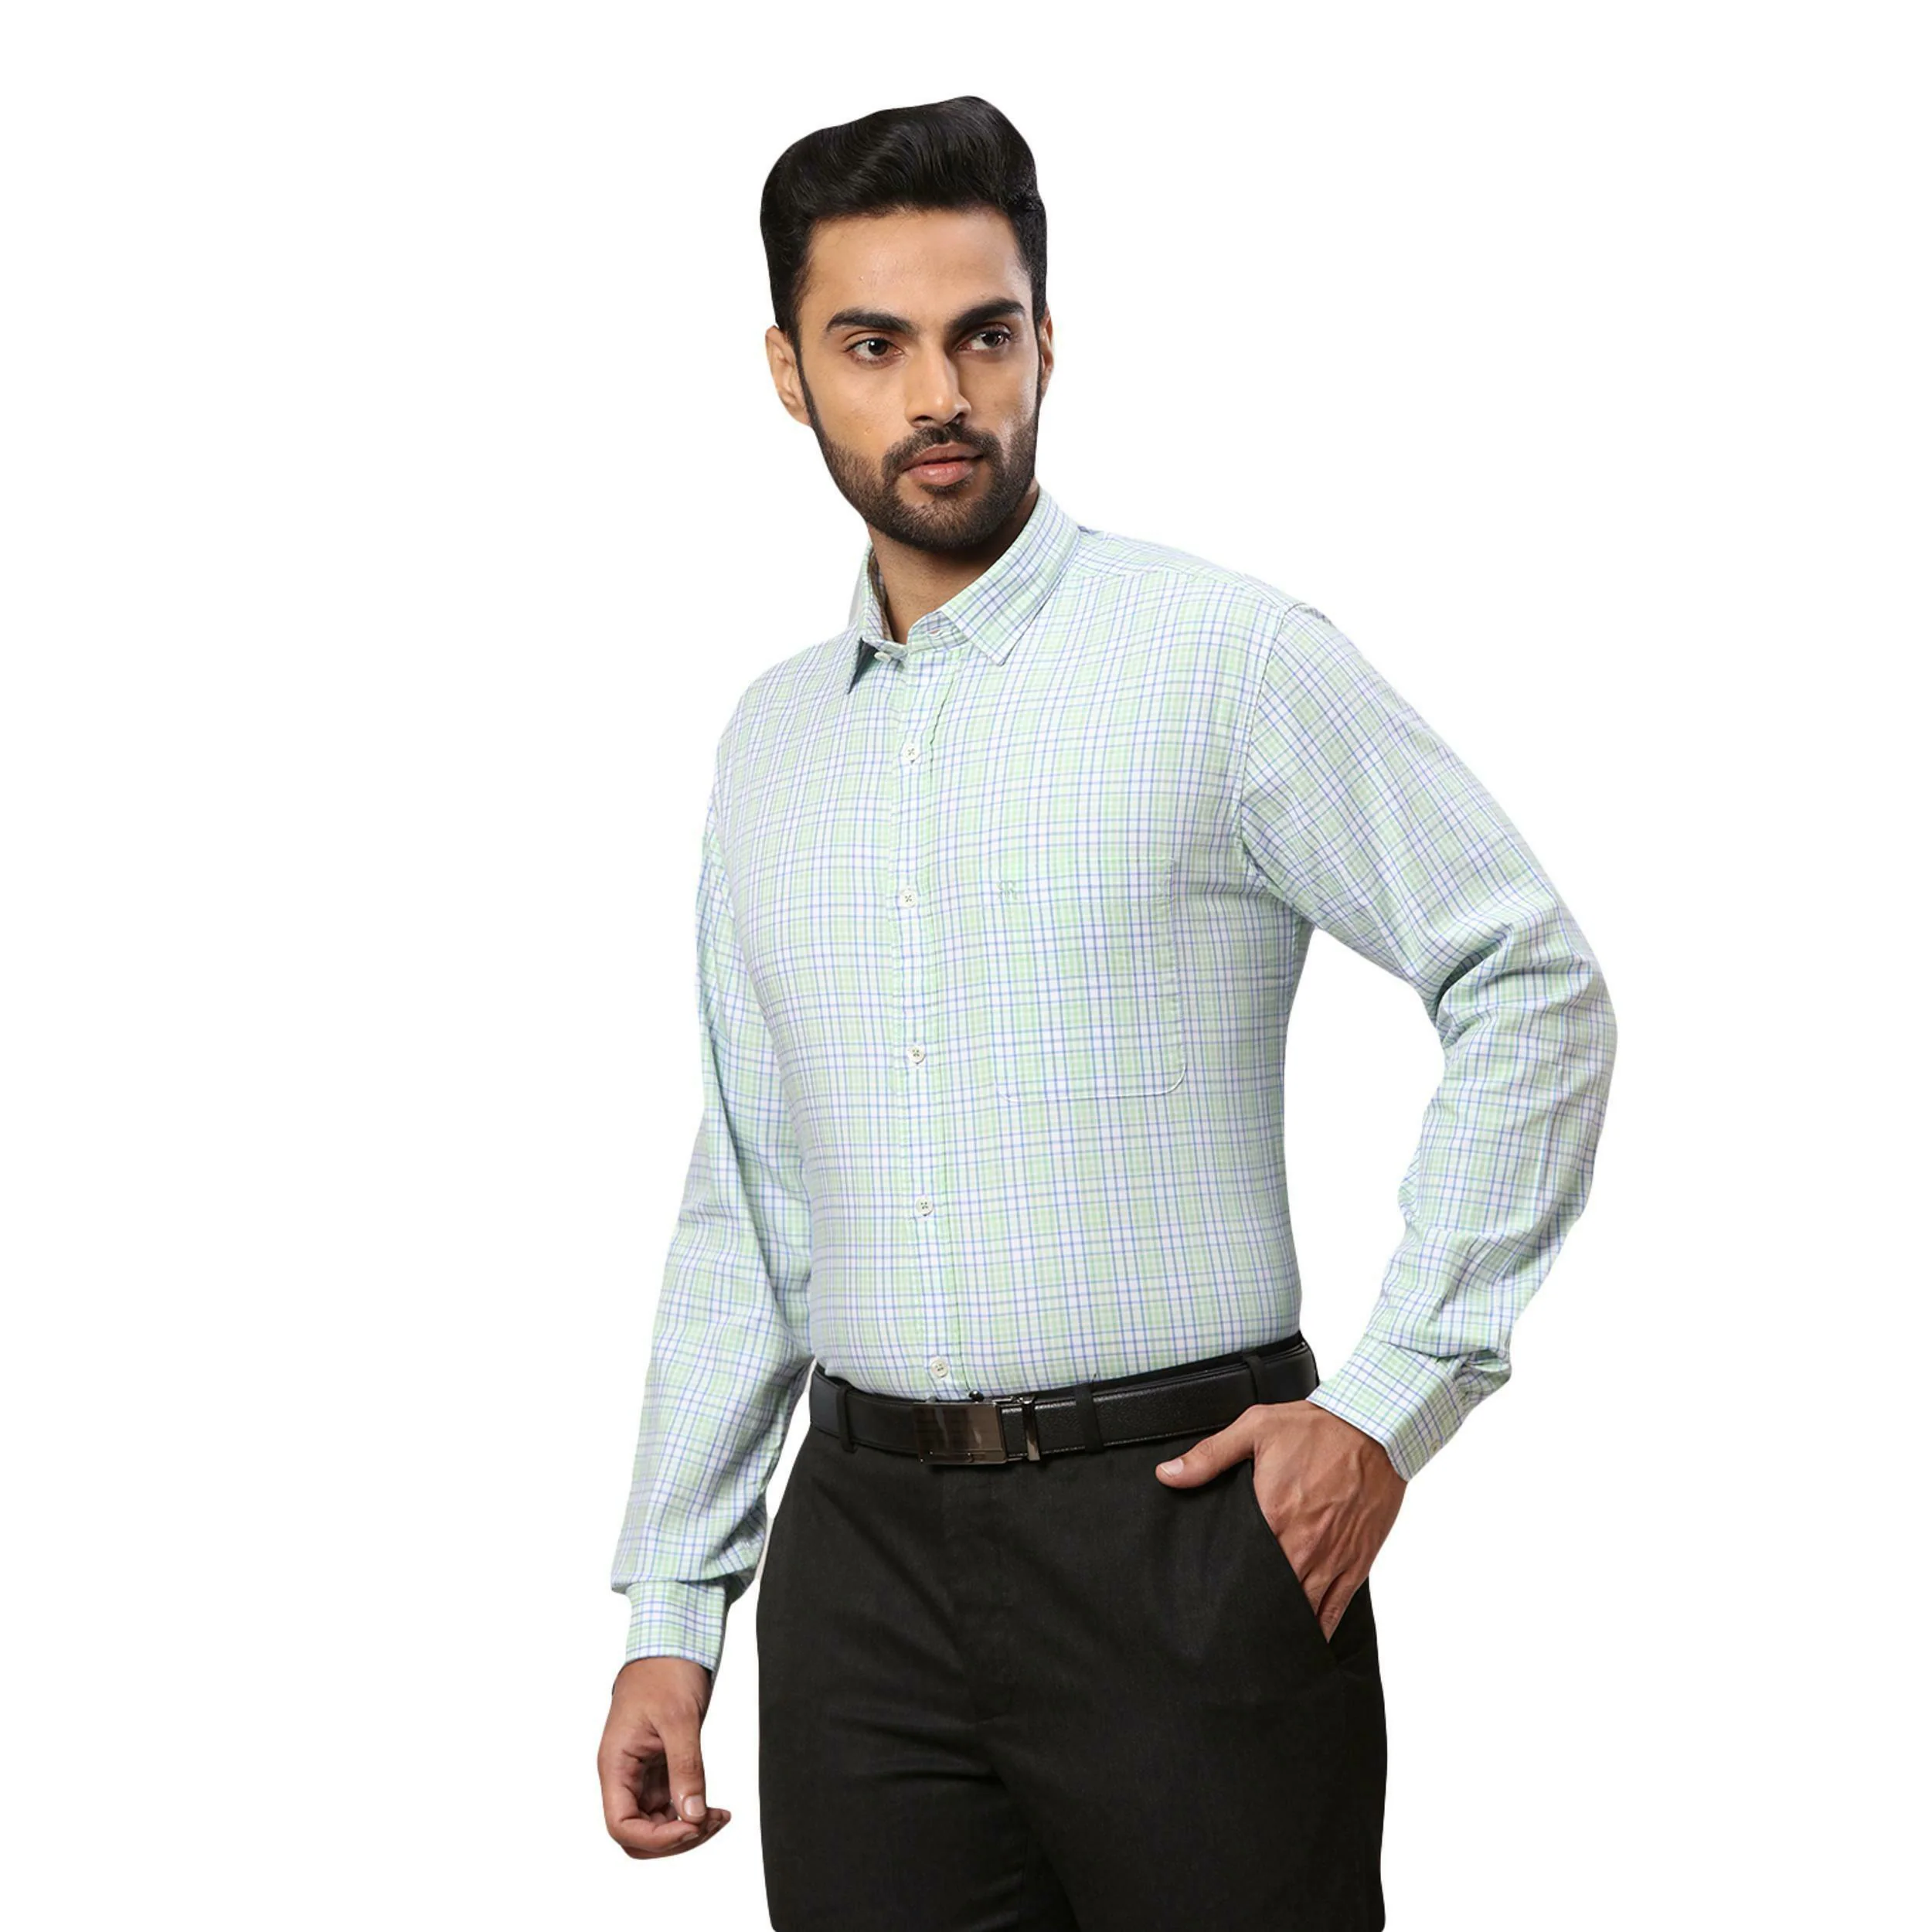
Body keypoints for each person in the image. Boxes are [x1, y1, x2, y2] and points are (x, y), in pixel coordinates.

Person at [597, 94, 1617, 1932]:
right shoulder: (770, 745)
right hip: (857, 1568)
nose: (941, 395)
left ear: (1046, 340)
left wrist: (1387, 1403)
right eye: (873, 344)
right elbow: (752, 1192)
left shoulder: (1225, 659)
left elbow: (1525, 977)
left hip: (1181, 1534)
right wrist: (674, 1604)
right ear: (784, 370)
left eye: (982, 334)